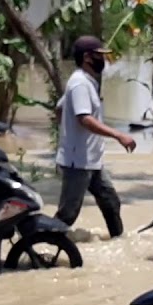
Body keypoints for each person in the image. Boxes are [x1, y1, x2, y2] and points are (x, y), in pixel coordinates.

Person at [54, 35, 135, 238]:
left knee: (111, 202)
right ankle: (40, 247)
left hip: (91, 161)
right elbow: (85, 119)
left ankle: (119, 243)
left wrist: (67, 133)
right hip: (78, 162)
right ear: (88, 58)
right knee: (67, 215)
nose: (104, 61)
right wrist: (118, 135)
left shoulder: (85, 82)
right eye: (100, 56)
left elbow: (59, 108)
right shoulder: (80, 84)